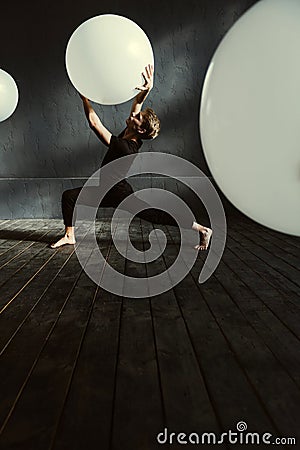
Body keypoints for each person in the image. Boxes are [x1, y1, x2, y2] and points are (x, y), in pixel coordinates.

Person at [51, 64, 212, 250]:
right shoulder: (130, 131)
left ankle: (201, 229)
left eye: (138, 118)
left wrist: (84, 98)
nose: (134, 115)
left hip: (118, 193)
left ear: (141, 129)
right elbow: (137, 105)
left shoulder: (125, 146)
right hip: (102, 189)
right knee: (69, 197)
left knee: (155, 215)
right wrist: (147, 89)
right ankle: (70, 236)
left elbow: (94, 124)